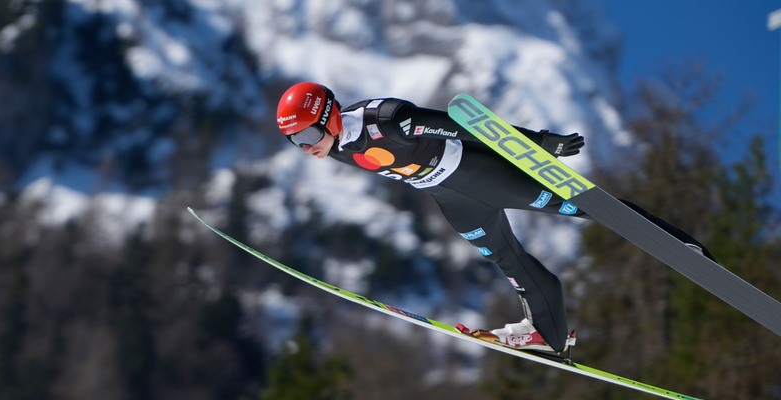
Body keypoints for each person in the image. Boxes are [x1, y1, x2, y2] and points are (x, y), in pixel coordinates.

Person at [275, 82, 717, 353]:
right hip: (451, 197)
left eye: (309, 133)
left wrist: (537, 143)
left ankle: (682, 246)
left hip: (482, 174)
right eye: (296, 142)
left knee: (591, 207)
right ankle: (548, 333)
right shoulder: (332, 146)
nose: (307, 146)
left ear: (330, 114)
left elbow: (464, 127)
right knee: (507, 259)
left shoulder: (387, 119)